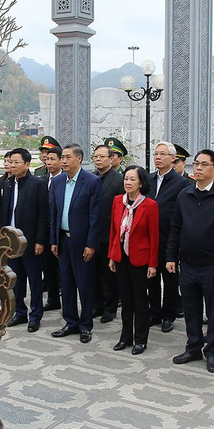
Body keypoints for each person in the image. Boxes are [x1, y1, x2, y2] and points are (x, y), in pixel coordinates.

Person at [166, 150, 214, 373]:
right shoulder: (184, 195)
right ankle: (193, 346)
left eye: (204, 164)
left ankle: (212, 351)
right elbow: (175, 229)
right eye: (196, 164)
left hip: (213, 266)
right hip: (187, 264)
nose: (197, 168)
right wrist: (170, 257)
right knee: (191, 308)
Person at [49, 143, 102, 343]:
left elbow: (95, 217)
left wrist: (91, 244)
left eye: (67, 157)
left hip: (82, 242)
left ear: (79, 159)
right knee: (67, 284)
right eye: (62, 157)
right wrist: (53, 240)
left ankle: (85, 325)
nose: (63, 161)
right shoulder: (58, 181)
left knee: (85, 285)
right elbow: (54, 212)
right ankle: (70, 321)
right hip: (63, 240)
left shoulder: (92, 181)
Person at [108, 166, 159, 355]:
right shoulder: (117, 201)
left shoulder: (149, 205)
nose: (128, 183)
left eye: (132, 180)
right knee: (126, 299)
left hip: (141, 258)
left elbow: (154, 237)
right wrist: (112, 256)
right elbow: (114, 230)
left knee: (140, 300)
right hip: (121, 256)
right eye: (126, 179)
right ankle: (125, 337)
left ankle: (140, 340)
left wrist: (153, 264)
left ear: (141, 183)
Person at [147, 141, 192, 333]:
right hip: (149, 238)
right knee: (151, 277)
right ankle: (155, 312)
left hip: (169, 238)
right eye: (156, 154)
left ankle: (168, 315)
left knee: (171, 278)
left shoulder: (181, 183)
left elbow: (182, 213)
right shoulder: (147, 180)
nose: (158, 157)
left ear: (173, 159)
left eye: (162, 154)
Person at [3, 148, 49, 332]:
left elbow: (43, 215)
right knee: (16, 280)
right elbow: (4, 212)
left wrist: (40, 240)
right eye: (10, 162)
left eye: (16, 162)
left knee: (35, 280)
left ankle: (35, 315)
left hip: (30, 242)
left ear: (27, 164)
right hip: (12, 241)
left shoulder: (37, 184)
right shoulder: (7, 184)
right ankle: (19, 312)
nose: (12, 166)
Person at [91, 144, 122, 323]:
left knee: (109, 274)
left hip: (110, 234)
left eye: (102, 157)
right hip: (92, 234)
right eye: (96, 157)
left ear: (111, 159)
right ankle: (97, 305)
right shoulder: (91, 177)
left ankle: (110, 308)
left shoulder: (118, 180)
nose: (98, 160)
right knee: (93, 274)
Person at [41, 146, 63, 311]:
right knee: (48, 268)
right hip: (46, 231)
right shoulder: (41, 181)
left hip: (62, 231)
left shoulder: (65, 180)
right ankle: (53, 299)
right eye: (47, 159)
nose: (48, 162)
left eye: (52, 159)